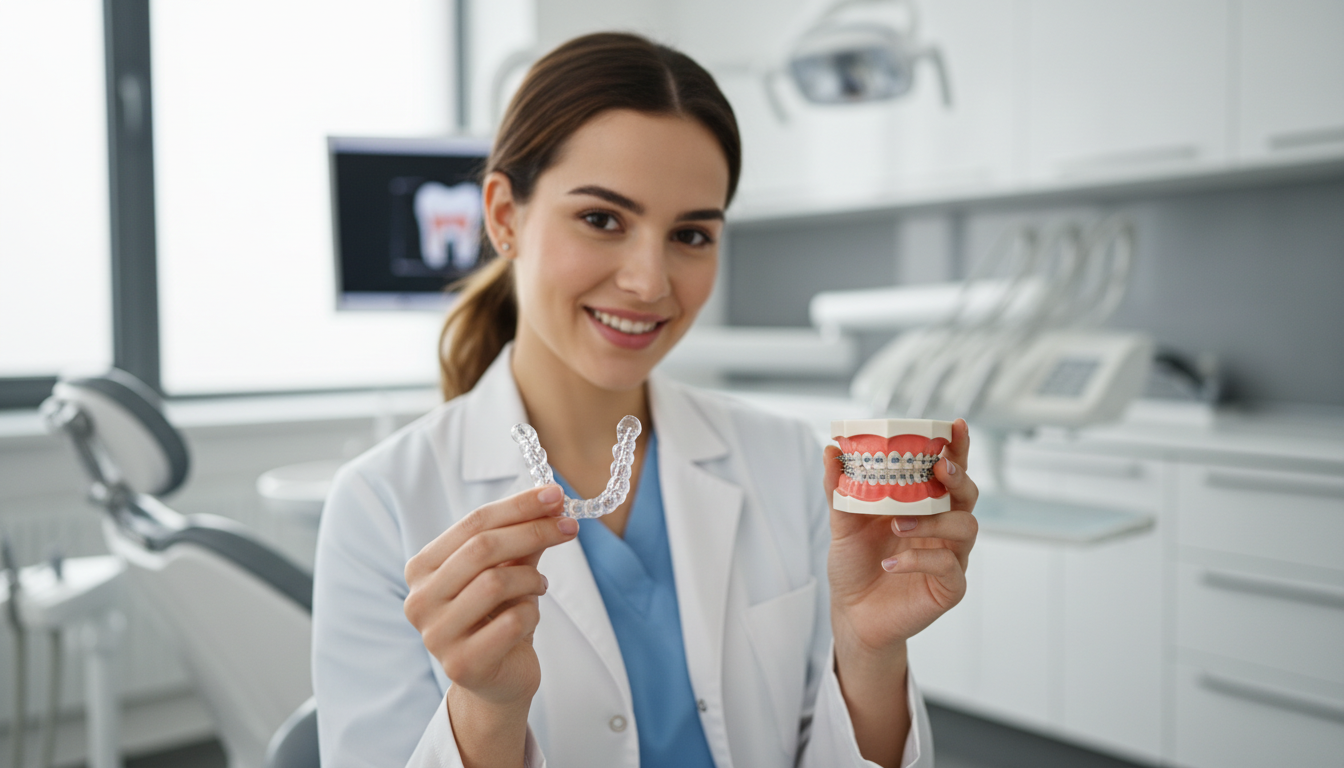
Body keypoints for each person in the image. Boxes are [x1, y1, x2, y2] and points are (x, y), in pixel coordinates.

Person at [312, 32, 979, 768]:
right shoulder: (380, 505)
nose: (650, 281)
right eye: (602, 219)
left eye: (691, 234)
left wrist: (869, 651)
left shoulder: (790, 463)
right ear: (504, 216)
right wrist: (484, 712)